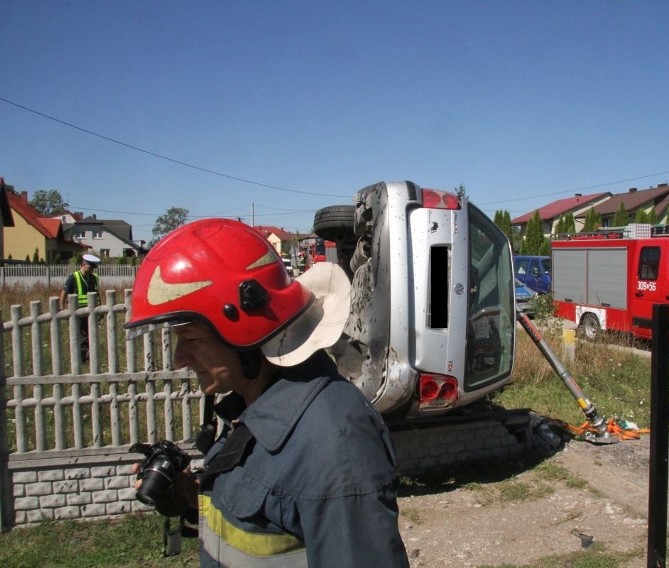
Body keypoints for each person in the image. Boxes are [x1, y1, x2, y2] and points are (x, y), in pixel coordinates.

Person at [124, 219, 409, 567]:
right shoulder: (254, 407)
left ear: (248, 332)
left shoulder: (334, 444)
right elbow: (268, 534)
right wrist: (190, 497)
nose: (180, 358)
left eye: (192, 340)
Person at [59, 253, 101, 362]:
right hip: (78, 312)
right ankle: (82, 359)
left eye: (93, 267)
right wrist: (62, 309)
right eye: (91, 266)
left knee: (91, 335)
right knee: (81, 337)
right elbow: (64, 293)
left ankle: (89, 358)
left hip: (92, 312)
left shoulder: (94, 278)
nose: (92, 269)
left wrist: (100, 309)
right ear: (83, 264)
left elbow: (97, 294)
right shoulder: (73, 277)